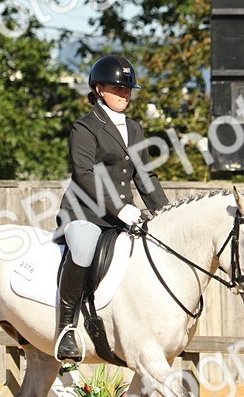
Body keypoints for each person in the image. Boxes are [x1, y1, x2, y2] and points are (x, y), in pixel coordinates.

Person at [52, 55, 169, 361]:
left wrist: (166, 213)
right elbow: (85, 175)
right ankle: (66, 329)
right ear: (99, 88)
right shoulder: (85, 127)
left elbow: (146, 176)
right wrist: (120, 209)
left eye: (128, 88)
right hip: (84, 212)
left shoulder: (134, 128)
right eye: (117, 88)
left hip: (122, 216)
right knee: (83, 248)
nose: (124, 93)